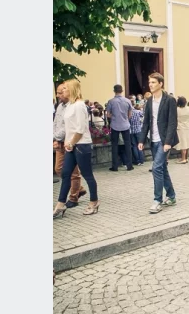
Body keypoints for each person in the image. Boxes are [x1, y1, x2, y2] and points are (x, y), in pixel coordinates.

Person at [53, 79, 100, 217]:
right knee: (66, 173)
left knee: (87, 175)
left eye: (66, 88)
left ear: (72, 90)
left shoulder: (79, 105)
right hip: (71, 145)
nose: (63, 91)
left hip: (81, 145)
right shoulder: (69, 105)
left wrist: (71, 143)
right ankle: (60, 204)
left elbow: (80, 128)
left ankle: (94, 201)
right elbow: (68, 127)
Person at [138, 73, 179, 214]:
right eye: (149, 82)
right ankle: (172, 196)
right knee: (162, 169)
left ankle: (157, 200)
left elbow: (172, 122)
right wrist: (142, 140)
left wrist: (168, 142)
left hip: (164, 141)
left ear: (161, 84)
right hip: (153, 140)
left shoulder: (169, 100)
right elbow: (146, 122)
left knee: (156, 168)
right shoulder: (149, 101)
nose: (150, 84)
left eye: (153, 82)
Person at [53, 83, 86, 208]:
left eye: (61, 92)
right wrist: (54, 138)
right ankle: (79, 188)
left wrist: (57, 137)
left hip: (70, 141)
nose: (58, 95)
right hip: (60, 141)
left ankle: (73, 197)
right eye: (58, 92)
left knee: (73, 172)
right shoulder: (60, 106)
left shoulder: (73, 106)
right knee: (59, 169)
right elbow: (55, 123)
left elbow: (69, 127)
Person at [104, 84, 135, 172]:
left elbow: (108, 114)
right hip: (125, 125)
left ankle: (115, 166)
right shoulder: (128, 101)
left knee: (114, 146)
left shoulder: (111, 101)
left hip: (115, 125)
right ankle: (129, 165)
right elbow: (130, 114)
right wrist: (125, 119)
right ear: (122, 90)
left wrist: (114, 117)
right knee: (128, 145)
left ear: (114, 91)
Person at [174, 95, 189, 164]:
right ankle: (186, 158)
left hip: (180, 127)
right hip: (187, 126)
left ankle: (183, 158)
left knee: (183, 144)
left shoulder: (177, 109)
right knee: (187, 142)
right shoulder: (188, 108)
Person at [130, 101, 145, 165]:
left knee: (134, 146)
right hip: (138, 130)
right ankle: (141, 160)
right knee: (140, 145)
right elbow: (144, 117)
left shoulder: (129, 113)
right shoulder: (138, 112)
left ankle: (137, 160)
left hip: (131, 131)